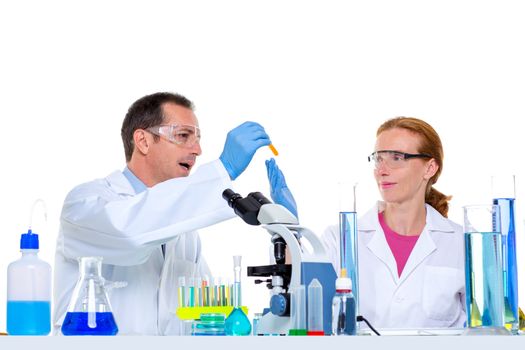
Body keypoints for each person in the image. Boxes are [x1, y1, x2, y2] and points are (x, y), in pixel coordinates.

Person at [53, 92, 272, 335]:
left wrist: (283, 232)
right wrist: (223, 169)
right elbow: (129, 233)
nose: (198, 150)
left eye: (198, 139)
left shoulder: (185, 231)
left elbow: (210, 317)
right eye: (183, 135)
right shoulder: (86, 203)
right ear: (143, 141)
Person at [268, 117, 466, 330]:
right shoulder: (340, 239)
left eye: (397, 158)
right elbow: (299, 297)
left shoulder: (460, 243)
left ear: (430, 168)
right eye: (378, 159)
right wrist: (287, 229)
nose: (382, 170)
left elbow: (483, 326)